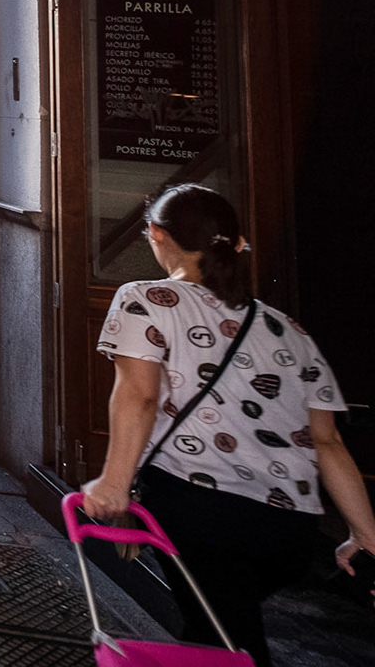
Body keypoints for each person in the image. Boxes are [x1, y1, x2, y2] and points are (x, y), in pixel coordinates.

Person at [81, 184, 375, 665]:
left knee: (227, 640)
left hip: (200, 510)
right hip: (293, 530)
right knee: (214, 626)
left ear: (156, 235)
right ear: (236, 245)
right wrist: (365, 534)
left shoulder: (146, 297)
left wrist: (114, 484)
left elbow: (140, 396)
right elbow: (328, 441)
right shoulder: (290, 330)